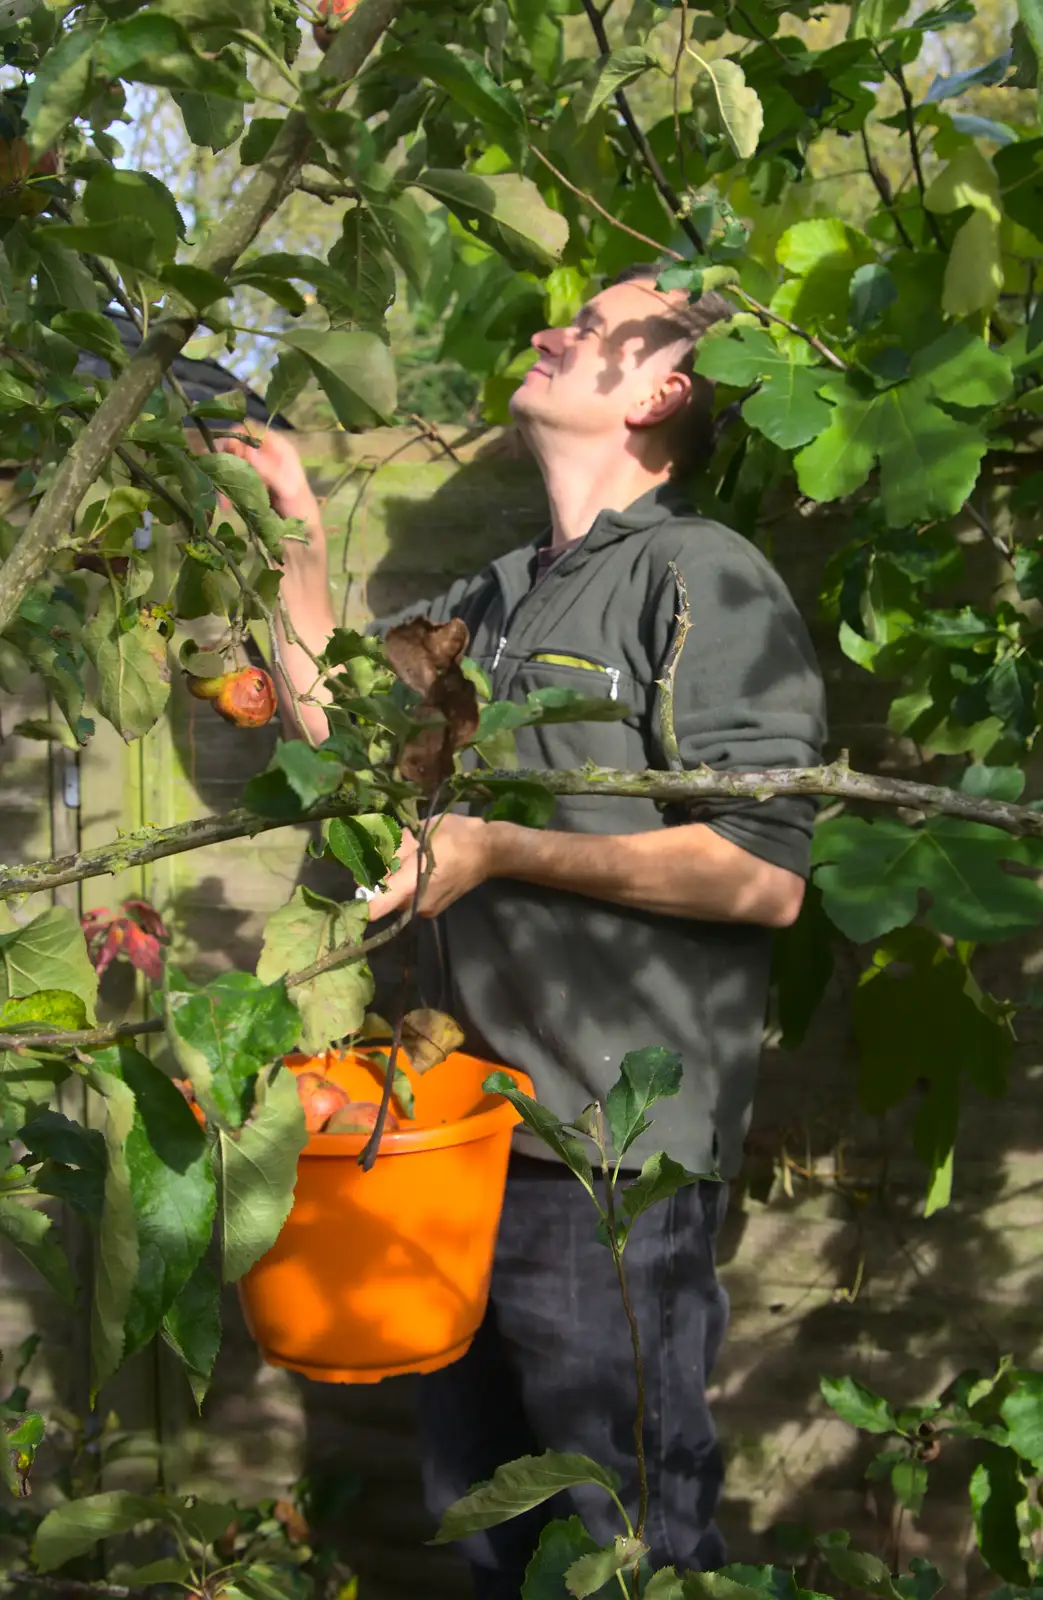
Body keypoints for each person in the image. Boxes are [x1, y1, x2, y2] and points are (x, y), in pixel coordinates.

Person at [218, 268, 827, 1597]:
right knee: (492, 1531)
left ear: (663, 393)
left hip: (609, 1160)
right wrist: (299, 538)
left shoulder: (699, 575)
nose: (553, 330)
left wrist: (501, 846)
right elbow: (342, 733)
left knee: (616, 1537)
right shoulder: (496, 597)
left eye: (596, 330)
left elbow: (763, 872)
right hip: (461, 1145)